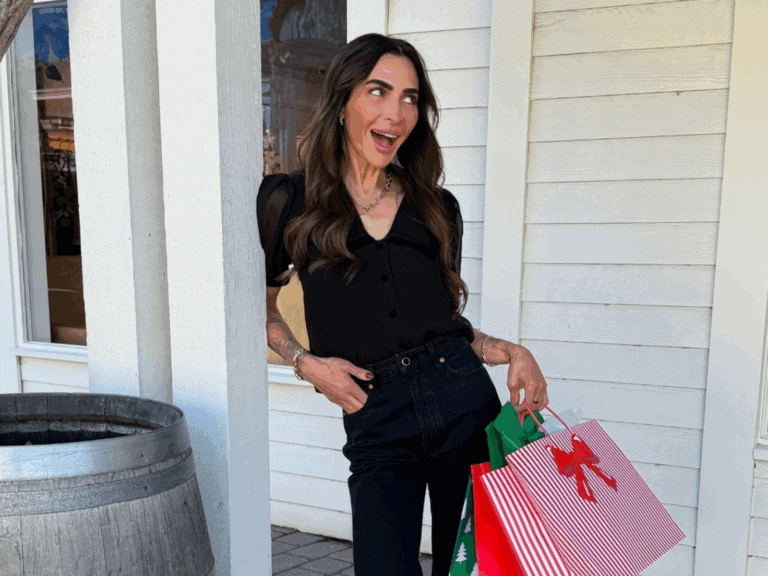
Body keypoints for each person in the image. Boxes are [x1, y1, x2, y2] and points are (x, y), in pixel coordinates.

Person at [257, 33, 549, 576]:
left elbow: (446, 325)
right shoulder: (289, 200)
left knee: (474, 568)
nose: (396, 112)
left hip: (462, 399)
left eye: (410, 98)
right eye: (378, 91)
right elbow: (260, 306)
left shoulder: (437, 207)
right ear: (342, 101)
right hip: (375, 415)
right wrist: (304, 362)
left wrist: (512, 351)